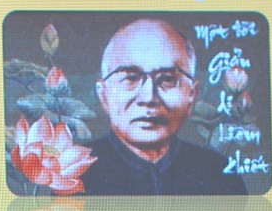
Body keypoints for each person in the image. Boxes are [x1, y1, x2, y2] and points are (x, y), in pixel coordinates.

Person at [79, 18, 246, 196]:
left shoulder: (219, 174)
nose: (149, 98)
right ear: (103, 94)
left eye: (167, 79)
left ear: (192, 95)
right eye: (131, 78)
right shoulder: (75, 174)